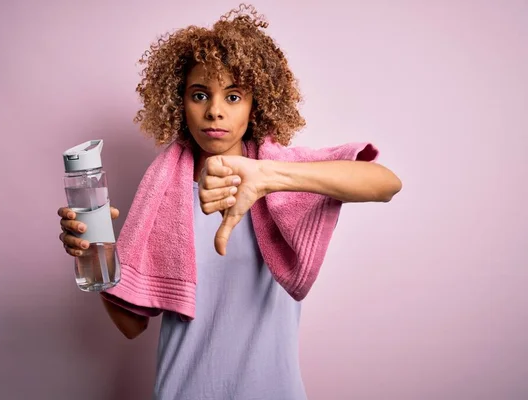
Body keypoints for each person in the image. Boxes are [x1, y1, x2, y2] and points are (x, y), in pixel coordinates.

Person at [57, 5, 401, 399]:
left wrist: (268, 178)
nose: (215, 110)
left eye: (234, 95)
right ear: (179, 102)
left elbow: (385, 182)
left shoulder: (283, 178)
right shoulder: (160, 195)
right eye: (199, 94)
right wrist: (92, 253)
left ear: (256, 104)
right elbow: (131, 324)